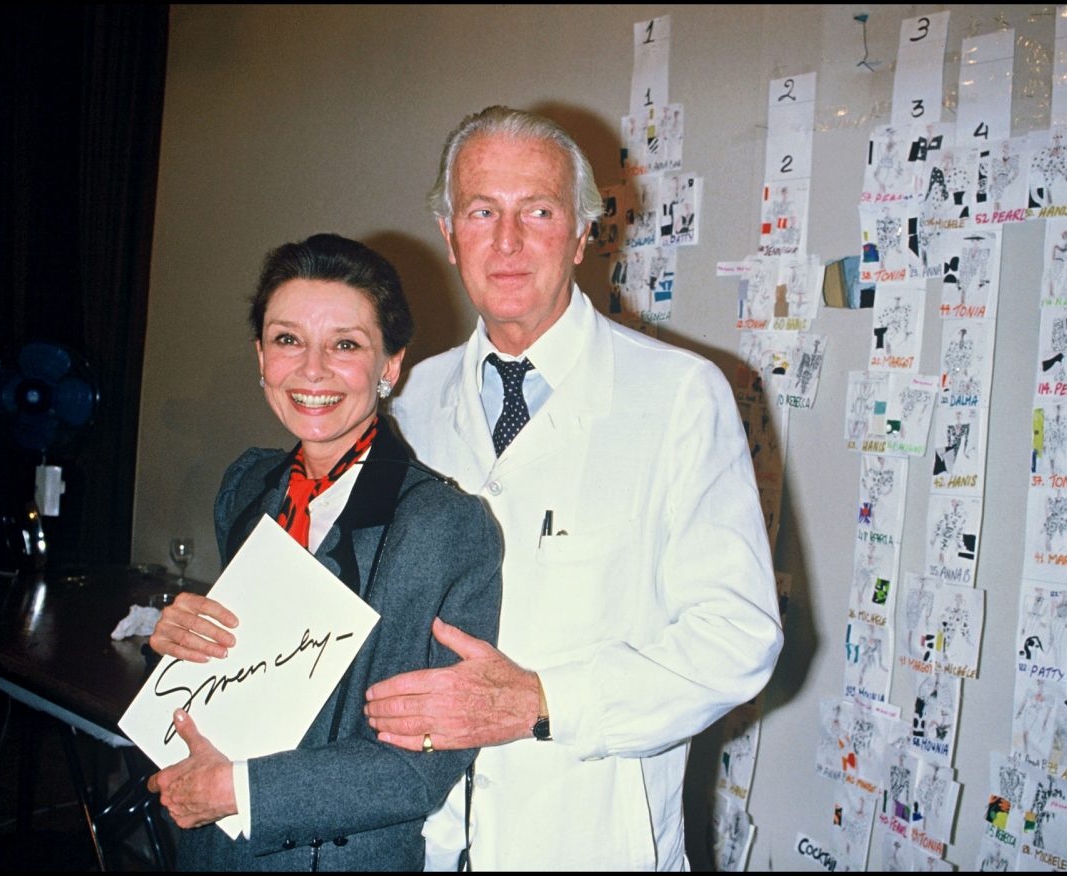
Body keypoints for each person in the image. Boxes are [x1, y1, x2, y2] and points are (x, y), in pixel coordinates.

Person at [363, 105, 784, 870]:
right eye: (482, 211)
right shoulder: (411, 402)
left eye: (540, 211)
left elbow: (737, 639)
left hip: (588, 837)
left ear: (585, 233)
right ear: (448, 233)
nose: (509, 240)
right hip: (418, 837)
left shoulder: (681, 395)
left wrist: (540, 702)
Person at [144, 233, 503, 870]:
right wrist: (181, 638)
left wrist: (237, 790)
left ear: (390, 365)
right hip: (208, 846)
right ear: (260, 357)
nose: (312, 371)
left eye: (345, 344)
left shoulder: (442, 527)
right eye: (287, 340)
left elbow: (422, 764)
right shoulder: (249, 487)